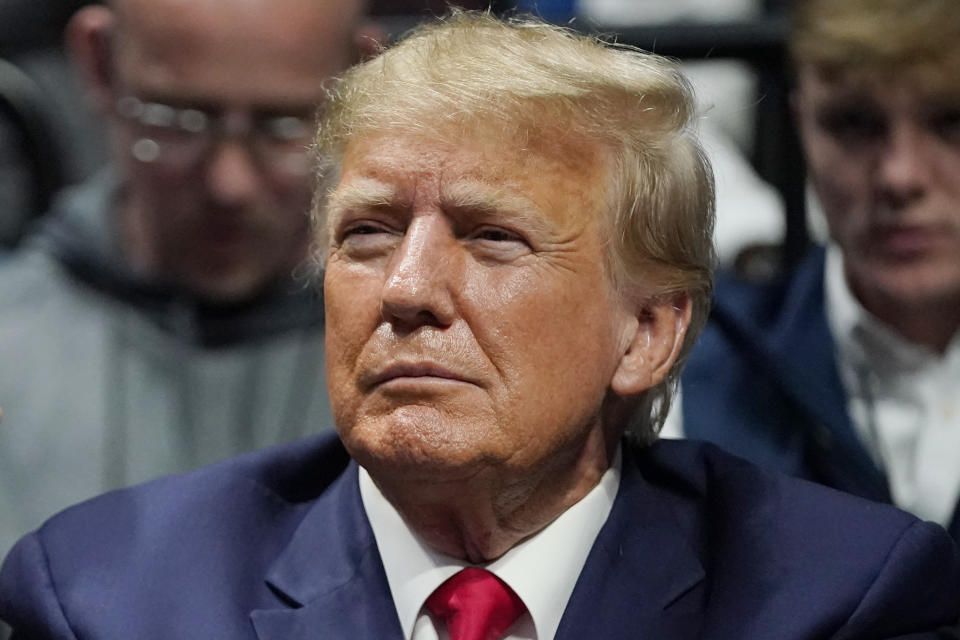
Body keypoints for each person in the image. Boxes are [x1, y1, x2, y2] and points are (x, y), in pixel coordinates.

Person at [2, 11, 958, 639]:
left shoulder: (839, 602)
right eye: (368, 234)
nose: (408, 289)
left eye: (493, 237)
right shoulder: (108, 599)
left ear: (648, 335)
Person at [0, 0, 379, 557]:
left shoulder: (415, 352)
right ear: (99, 61)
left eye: (283, 127)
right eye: (177, 121)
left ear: (362, 80)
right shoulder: (13, 344)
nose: (230, 184)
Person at [674, 0, 960, 542]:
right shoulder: (696, 369)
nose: (900, 176)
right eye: (854, 123)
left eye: (952, 121)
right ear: (801, 122)